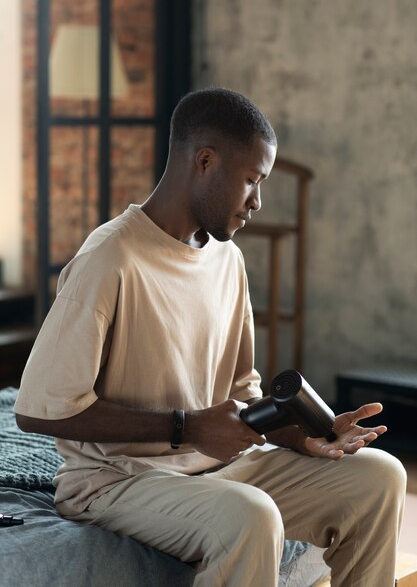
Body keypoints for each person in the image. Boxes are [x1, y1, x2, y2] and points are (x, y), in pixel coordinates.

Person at [15, 88, 406, 587]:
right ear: (204, 161)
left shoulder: (227, 260)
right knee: (251, 516)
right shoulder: (110, 259)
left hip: (220, 468)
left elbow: (241, 394)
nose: (257, 202)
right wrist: (188, 428)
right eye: (251, 181)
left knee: (380, 476)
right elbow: (37, 409)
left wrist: (306, 436)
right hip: (116, 482)